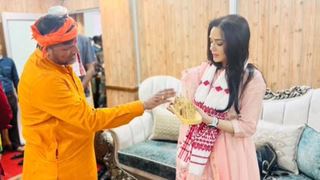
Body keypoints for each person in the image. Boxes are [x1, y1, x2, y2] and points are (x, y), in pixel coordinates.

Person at [18, 14, 175, 179]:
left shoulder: (58, 64)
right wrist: (142, 105)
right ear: (46, 50)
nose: (76, 51)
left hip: (76, 158)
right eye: (67, 47)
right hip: (58, 169)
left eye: (74, 42)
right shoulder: (45, 79)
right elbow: (90, 119)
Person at [174, 15, 266, 180]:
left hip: (231, 154)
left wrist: (210, 120)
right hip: (200, 155)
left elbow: (247, 127)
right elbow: (191, 104)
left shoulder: (251, 79)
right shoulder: (206, 70)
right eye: (211, 41)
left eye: (219, 43)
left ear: (236, 44)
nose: (212, 48)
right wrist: (182, 110)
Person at [0, 44, 22, 151]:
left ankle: (16, 144)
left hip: (9, 95)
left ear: (0, 47)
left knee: (13, 121)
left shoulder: (9, 62)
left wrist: (20, 95)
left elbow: (16, 79)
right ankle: (3, 147)